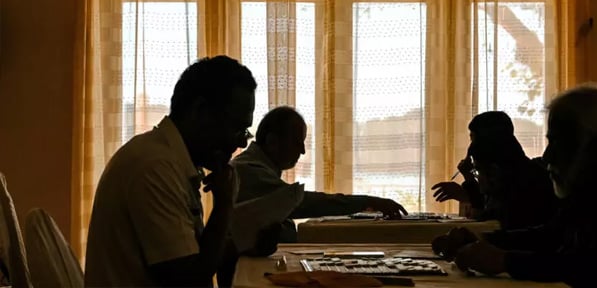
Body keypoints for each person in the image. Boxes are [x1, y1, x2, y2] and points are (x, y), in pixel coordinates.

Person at [434, 86, 597, 287]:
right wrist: (481, 239)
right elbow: (551, 235)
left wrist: (503, 260)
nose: (547, 157)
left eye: (556, 143)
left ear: (593, 144)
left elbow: (592, 267)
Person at [85, 56, 256, 287]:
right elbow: (189, 279)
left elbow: (194, 257)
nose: (242, 144)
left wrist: (242, 244)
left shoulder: (169, 159)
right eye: (238, 129)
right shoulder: (154, 167)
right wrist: (224, 206)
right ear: (201, 111)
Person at [231, 106, 408, 242]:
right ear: (272, 141)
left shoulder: (254, 167)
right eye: (296, 142)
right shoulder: (248, 171)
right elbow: (303, 203)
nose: (302, 151)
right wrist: (368, 202)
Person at [431, 111, 557, 230]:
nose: (471, 146)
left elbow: (488, 221)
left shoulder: (518, 183)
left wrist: (470, 188)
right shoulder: (520, 170)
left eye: (473, 138)